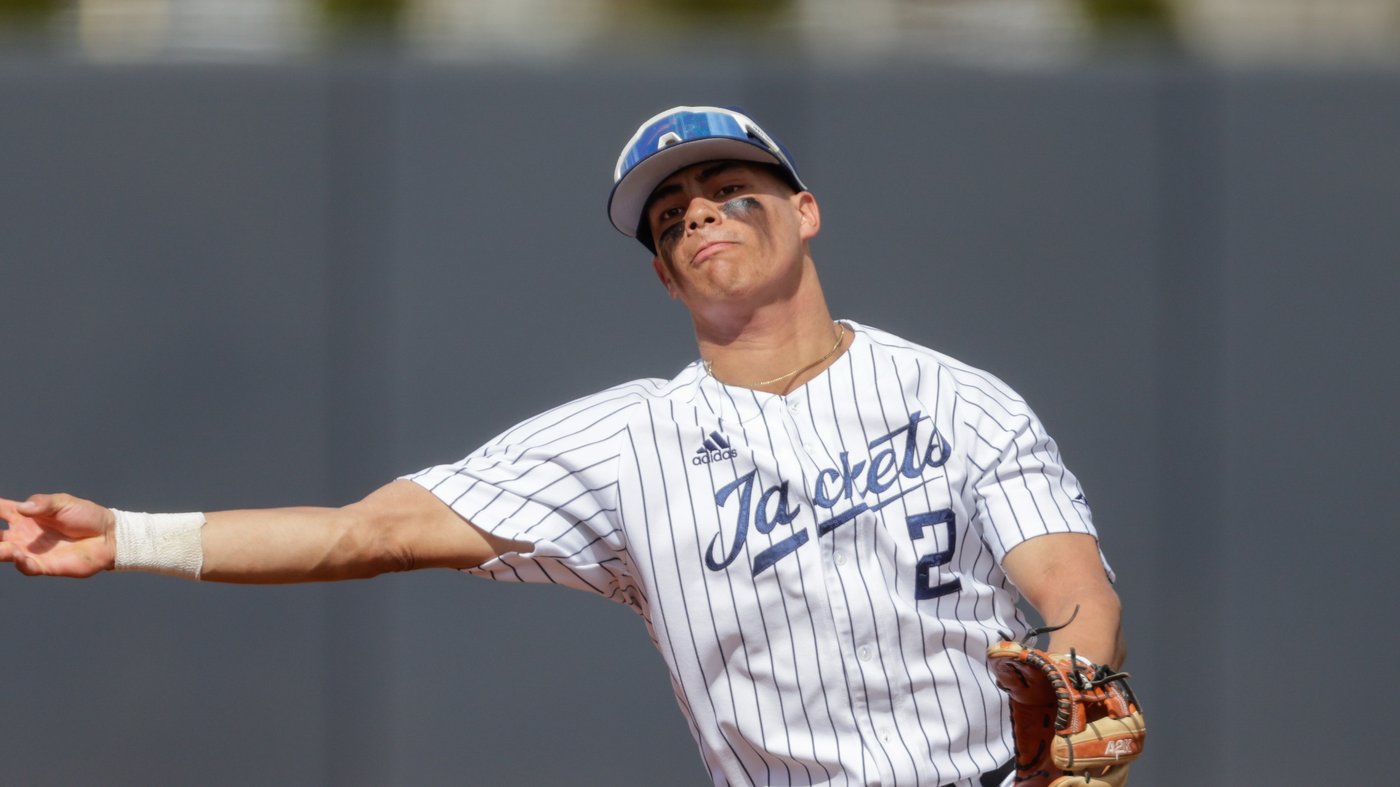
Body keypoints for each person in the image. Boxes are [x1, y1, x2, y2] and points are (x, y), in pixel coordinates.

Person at [0, 105, 1124, 787]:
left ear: (805, 210)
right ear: (658, 270)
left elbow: (1065, 577)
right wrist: (128, 535)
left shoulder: (955, 397)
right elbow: (367, 530)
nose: (699, 213)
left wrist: (1077, 667)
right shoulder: (630, 441)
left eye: (730, 187)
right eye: (670, 211)